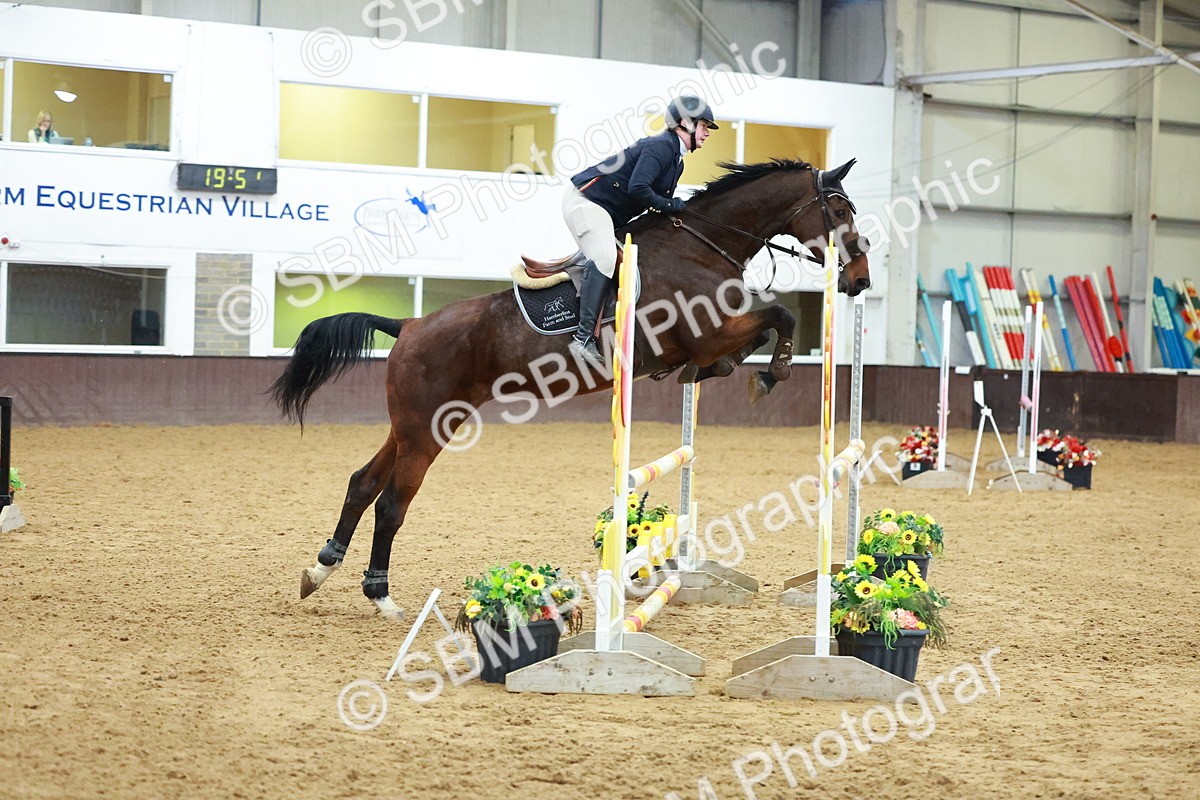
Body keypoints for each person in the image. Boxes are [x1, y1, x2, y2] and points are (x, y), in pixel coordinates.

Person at [563, 95, 717, 367]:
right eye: (704, 126)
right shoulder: (659, 147)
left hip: (606, 212)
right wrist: (672, 204)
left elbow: (654, 207)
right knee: (607, 259)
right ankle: (582, 338)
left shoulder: (676, 162)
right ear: (684, 123)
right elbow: (639, 189)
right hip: (585, 202)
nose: (707, 133)